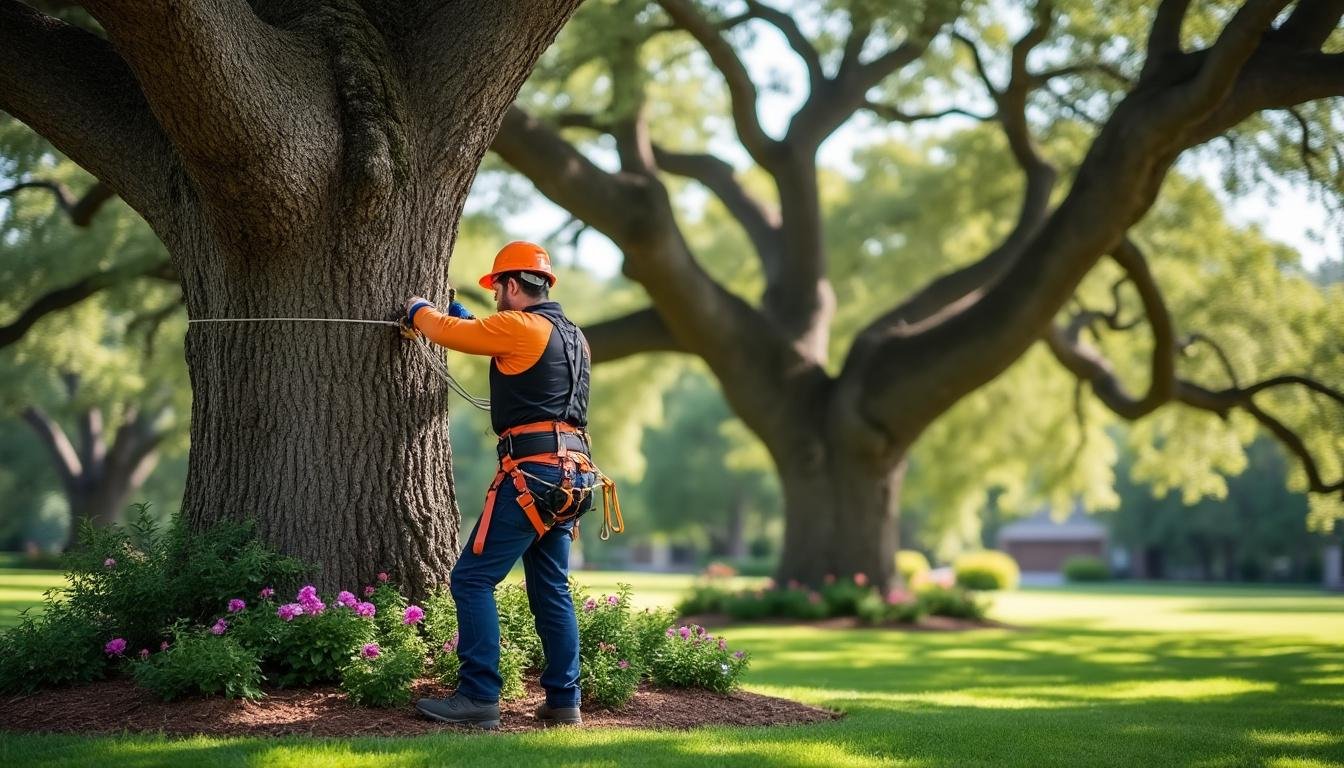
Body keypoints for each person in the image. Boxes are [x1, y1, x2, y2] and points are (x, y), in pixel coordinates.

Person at [405, 241, 596, 729]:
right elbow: (490, 338)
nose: (496, 298)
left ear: (513, 285)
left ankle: (478, 697)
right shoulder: (572, 335)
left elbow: (447, 332)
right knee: (551, 587)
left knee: (471, 578)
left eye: (498, 290)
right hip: (571, 475)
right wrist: (463, 315)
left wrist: (417, 310)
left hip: (532, 473)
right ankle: (563, 701)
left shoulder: (518, 326)